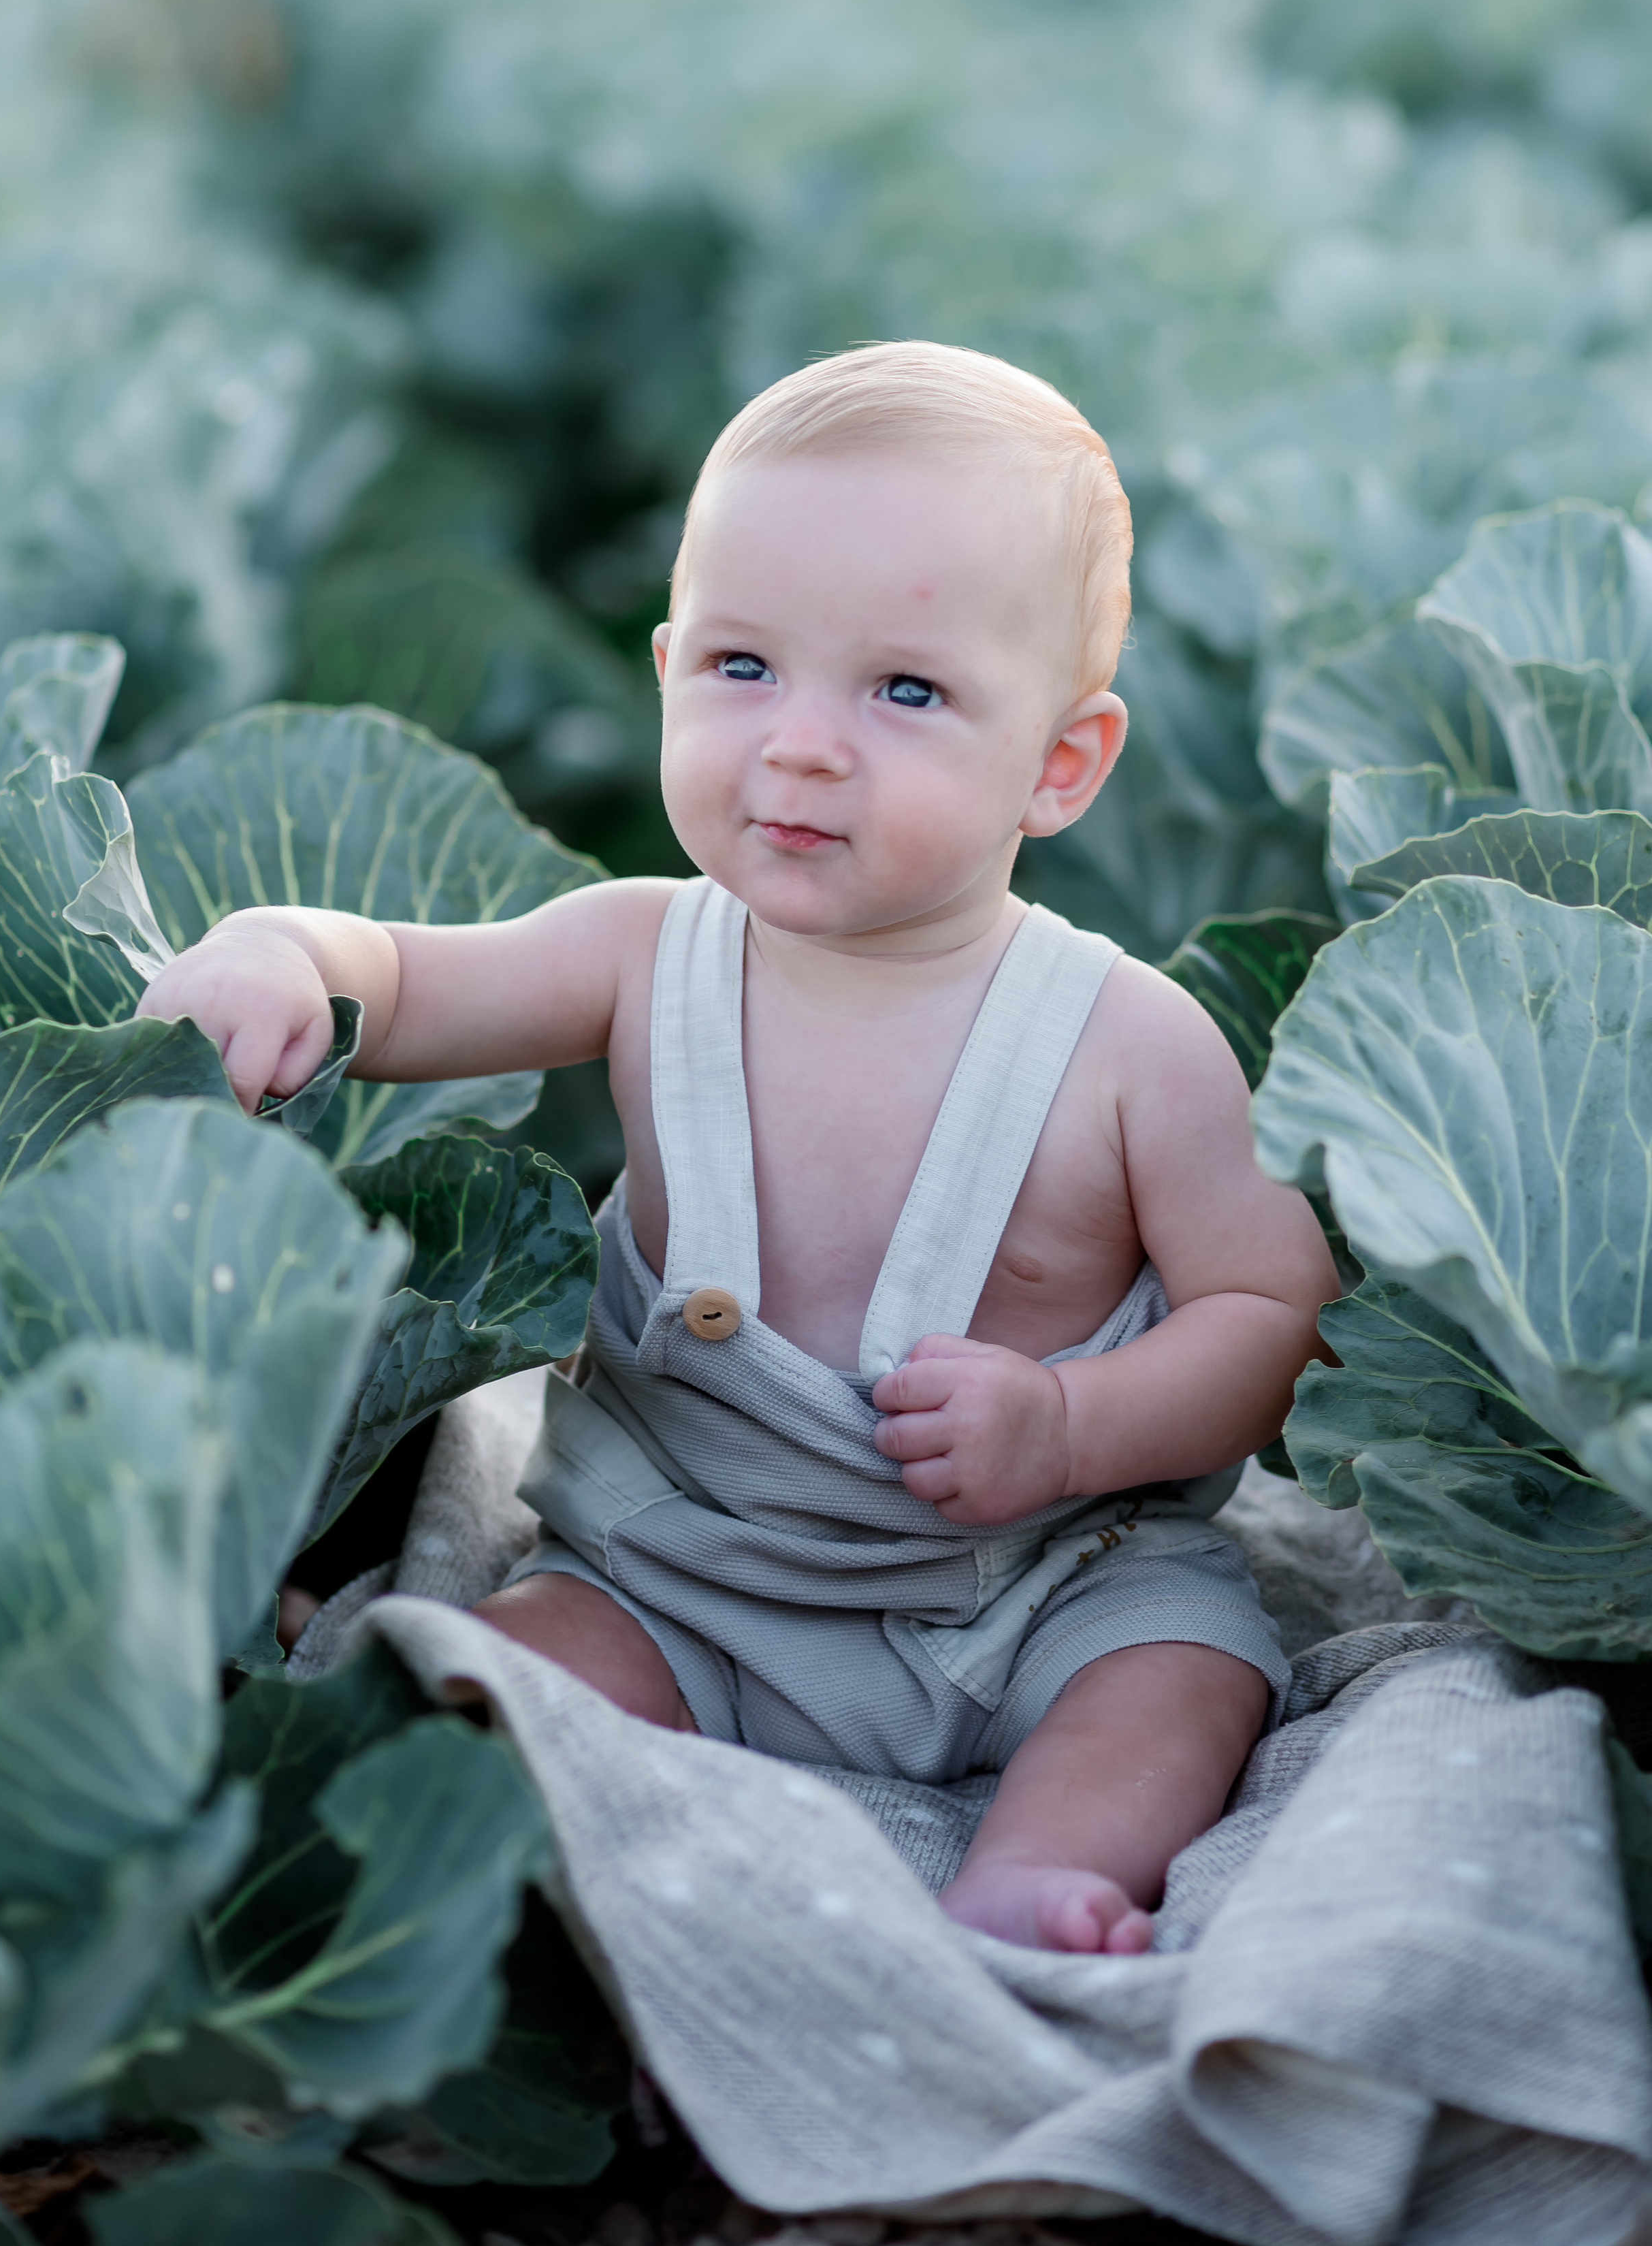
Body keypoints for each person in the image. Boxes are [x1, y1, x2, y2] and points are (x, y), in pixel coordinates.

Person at [140, 340, 1336, 1955]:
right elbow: (409, 978)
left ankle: (1028, 1884)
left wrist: (1069, 1426)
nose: (799, 745)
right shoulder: (644, 954)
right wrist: (287, 956)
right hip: (680, 1581)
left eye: (902, 691)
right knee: (499, 1677)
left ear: (1058, 764)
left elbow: (1269, 1316)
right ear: (665, 670)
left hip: (1041, 1582)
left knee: (1179, 1676)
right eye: (741, 666)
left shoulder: (1128, 1046)